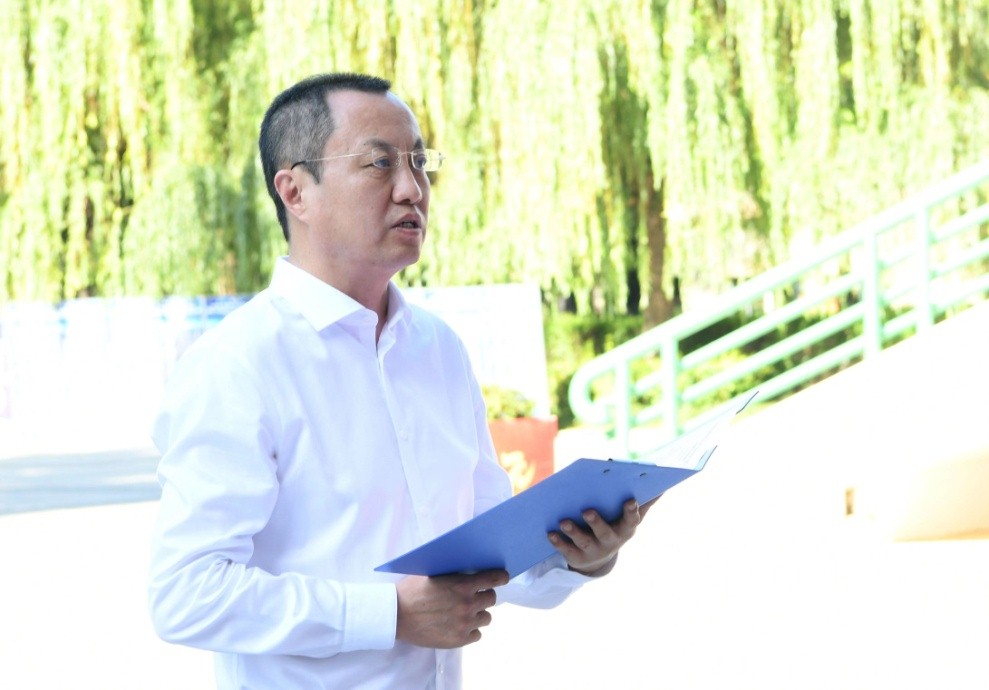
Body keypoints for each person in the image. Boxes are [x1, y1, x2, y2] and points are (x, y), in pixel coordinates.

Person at [148, 72, 652, 689]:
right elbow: (187, 593)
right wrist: (387, 614)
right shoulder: (236, 364)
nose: (412, 189)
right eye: (379, 164)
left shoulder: (437, 349)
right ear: (295, 191)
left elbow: (490, 547)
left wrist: (583, 555)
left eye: (419, 162)